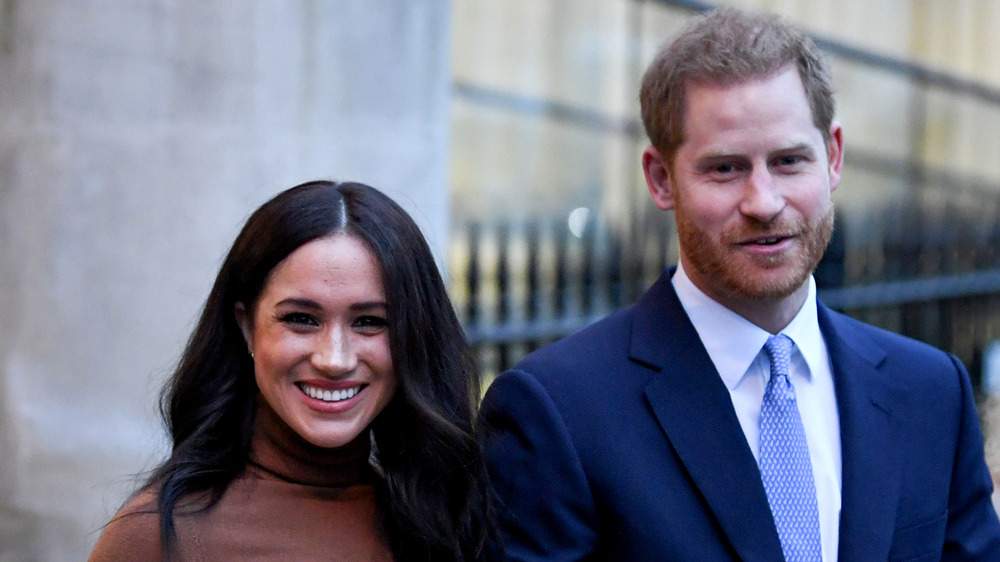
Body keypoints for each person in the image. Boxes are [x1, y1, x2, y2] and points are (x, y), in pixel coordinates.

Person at [479, 7, 1000, 561]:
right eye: (725, 168)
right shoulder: (558, 411)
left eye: (789, 160)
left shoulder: (931, 392)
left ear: (834, 158)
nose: (764, 202)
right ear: (660, 179)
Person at [90, 180, 500, 561]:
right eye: (301, 319)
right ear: (247, 327)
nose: (334, 360)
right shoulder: (158, 538)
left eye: (370, 322)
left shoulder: (446, 520)